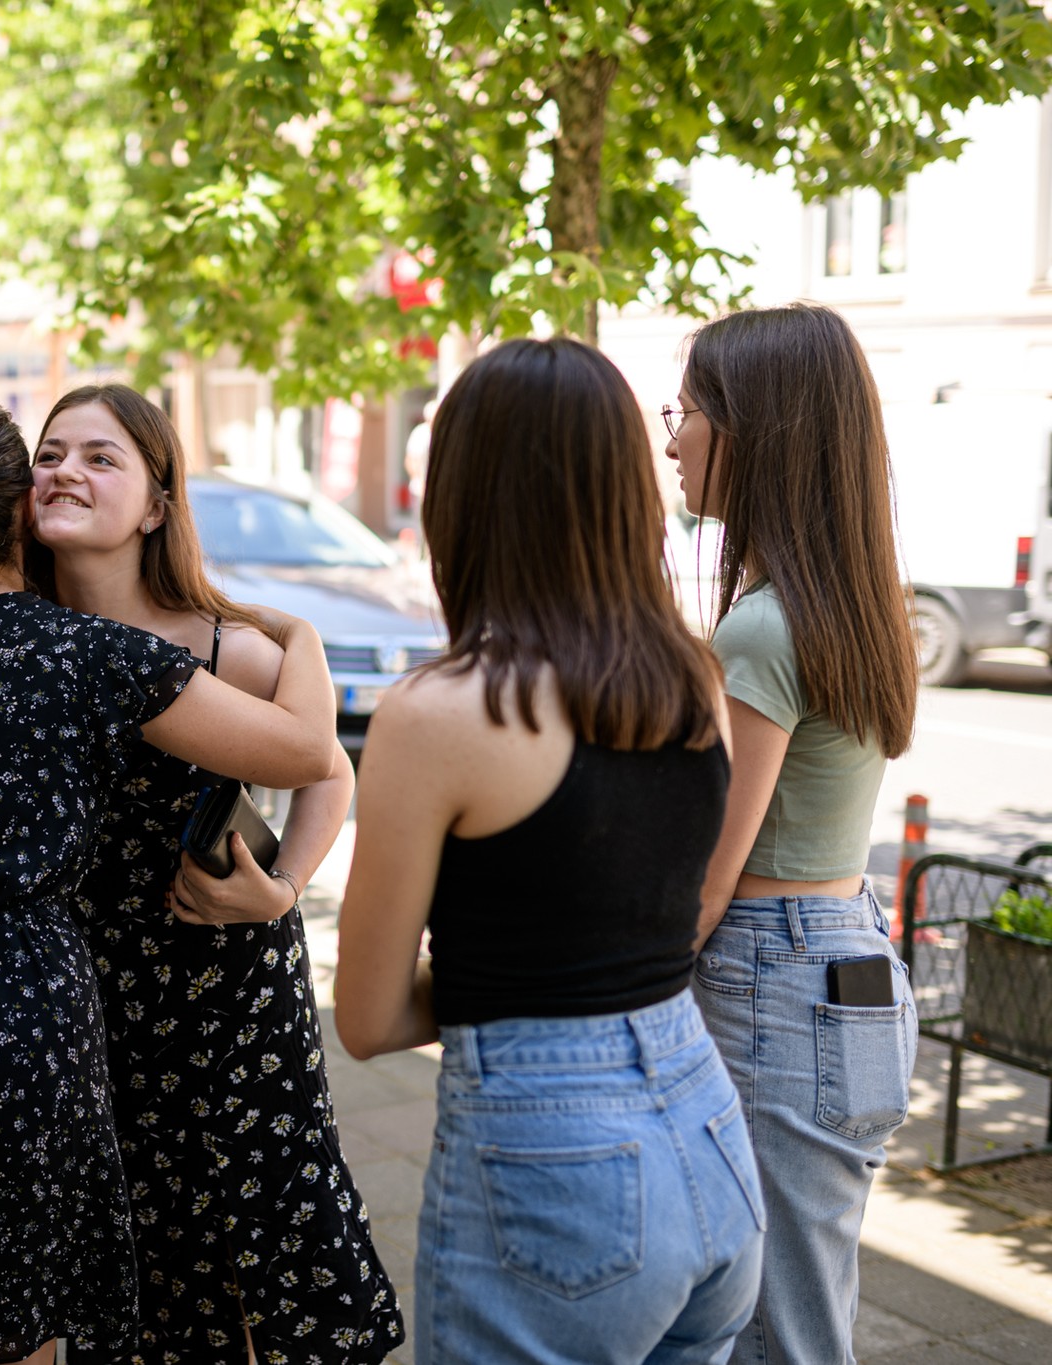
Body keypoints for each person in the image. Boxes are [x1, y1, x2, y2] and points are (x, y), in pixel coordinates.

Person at [0, 384, 404, 1363]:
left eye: (102, 458)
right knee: (104, 1262)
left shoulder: (220, 643)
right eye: (51, 454)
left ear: (156, 504)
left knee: (234, 1246)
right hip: (74, 981)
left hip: (213, 984)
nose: (66, 471)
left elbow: (327, 770)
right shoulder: (25, 633)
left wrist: (282, 887)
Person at [331, 338, 763, 1364]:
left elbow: (368, 1017)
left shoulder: (440, 713)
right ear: (625, 488)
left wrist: (513, 979)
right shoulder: (692, 678)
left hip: (554, 1162)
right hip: (707, 1127)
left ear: (462, 496)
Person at [670, 303, 920, 1365]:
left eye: (686, 412)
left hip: (773, 980)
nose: (672, 440)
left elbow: (708, 874)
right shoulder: (853, 604)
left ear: (755, 432)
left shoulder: (762, 627)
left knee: (778, 1329)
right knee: (801, 1308)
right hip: (845, 959)